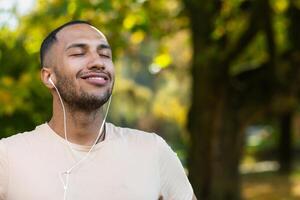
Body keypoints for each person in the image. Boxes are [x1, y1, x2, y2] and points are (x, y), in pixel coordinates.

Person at [0, 20, 196, 200]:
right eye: (78, 53)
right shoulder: (7, 157)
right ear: (48, 77)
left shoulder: (152, 151)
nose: (98, 62)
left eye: (105, 55)